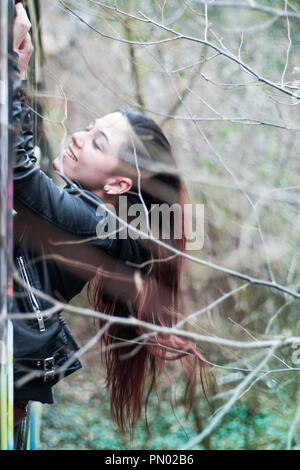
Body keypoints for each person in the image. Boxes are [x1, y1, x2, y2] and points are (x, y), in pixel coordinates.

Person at [11, 4, 208, 436]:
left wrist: (14, 72)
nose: (78, 137)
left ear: (118, 185)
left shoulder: (94, 226)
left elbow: (20, 177)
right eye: (90, 127)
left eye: (97, 142)